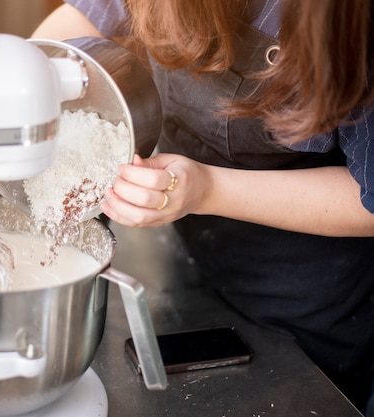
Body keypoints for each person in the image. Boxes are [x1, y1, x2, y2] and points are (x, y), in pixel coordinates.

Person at [32, 0, 374, 414]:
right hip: (189, 264)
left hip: (301, 312)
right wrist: (20, 89)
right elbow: (88, 15)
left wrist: (209, 189)